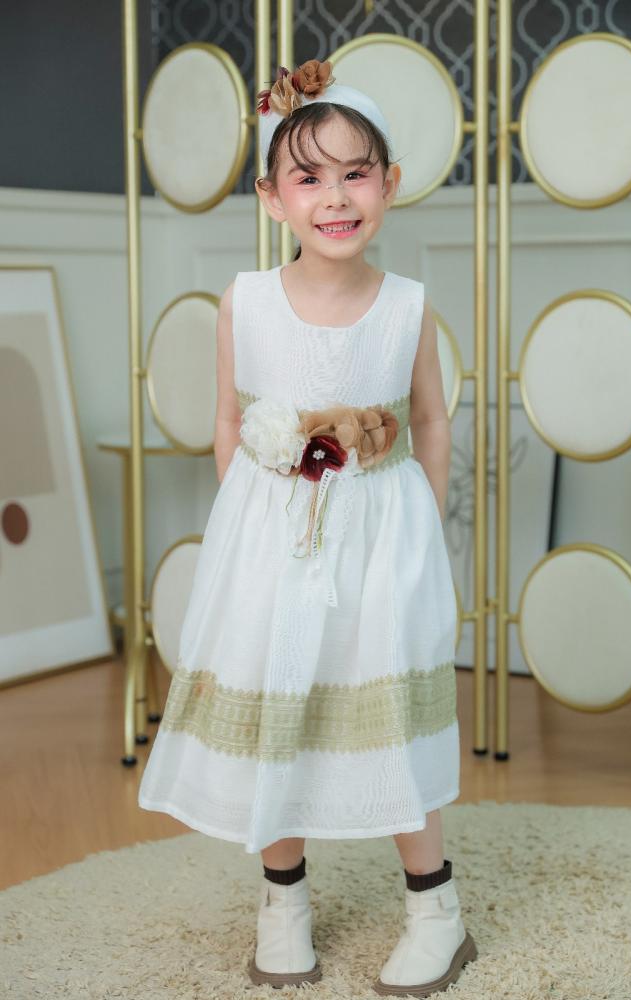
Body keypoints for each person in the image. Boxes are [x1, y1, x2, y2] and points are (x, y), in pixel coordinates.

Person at [138, 57, 477, 997]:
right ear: (271, 197)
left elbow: (431, 421)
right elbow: (229, 424)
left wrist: (421, 528)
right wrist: (250, 528)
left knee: (389, 710)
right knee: (277, 708)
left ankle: (436, 909)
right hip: (274, 540)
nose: (335, 197)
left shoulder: (406, 307)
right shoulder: (243, 302)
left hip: (380, 543)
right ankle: (281, 902)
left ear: (389, 184)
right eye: (309, 177)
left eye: (356, 173)